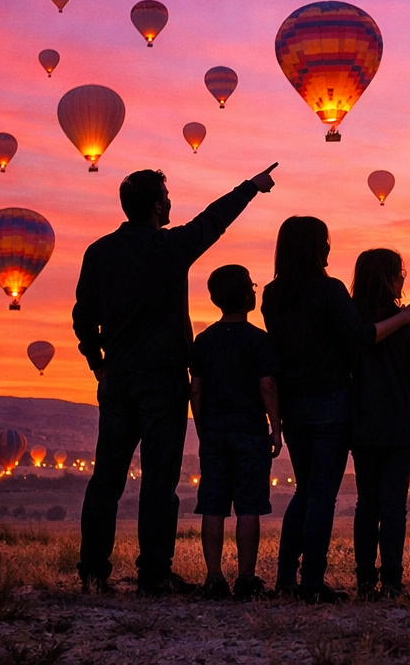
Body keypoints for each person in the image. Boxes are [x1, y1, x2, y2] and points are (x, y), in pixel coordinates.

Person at [72, 165, 275, 595]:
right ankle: (154, 572)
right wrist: (250, 186)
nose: (170, 202)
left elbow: (82, 317)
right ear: (157, 204)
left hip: (118, 377)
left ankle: (92, 570)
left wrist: (98, 362)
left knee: (106, 477)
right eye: (166, 195)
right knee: (159, 478)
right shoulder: (169, 247)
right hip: (162, 379)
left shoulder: (99, 252)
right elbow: (213, 221)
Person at [260, 217, 410, 603]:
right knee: (322, 496)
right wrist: (403, 318)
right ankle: (312, 581)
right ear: (316, 248)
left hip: (293, 404)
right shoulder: (329, 291)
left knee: (304, 491)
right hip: (331, 401)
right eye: (325, 243)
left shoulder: (272, 294)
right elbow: (361, 337)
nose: (330, 250)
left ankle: (286, 576)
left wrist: (276, 418)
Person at [349, 249, 410, 599]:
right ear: (389, 278)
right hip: (400, 425)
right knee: (392, 505)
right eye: (400, 272)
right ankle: (391, 581)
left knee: (366, 504)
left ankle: (363, 581)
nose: (404, 278)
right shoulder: (406, 323)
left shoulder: (352, 321)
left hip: (362, 425)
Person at [190, 265, 280, 601]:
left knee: (212, 506)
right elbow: (268, 385)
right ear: (247, 296)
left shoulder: (204, 340)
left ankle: (214, 578)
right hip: (250, 432)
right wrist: (276, 428)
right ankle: (246, 579)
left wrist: (202, 429)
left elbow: (195, 390)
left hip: (214, 431)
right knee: (249, 506)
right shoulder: (260, 340)